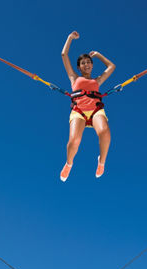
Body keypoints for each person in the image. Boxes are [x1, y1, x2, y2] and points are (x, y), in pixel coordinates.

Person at [59, 31, 115, 182]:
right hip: (79, 111)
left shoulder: (97, 80)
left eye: (89, 62)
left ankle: (101, 162)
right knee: (74, 141)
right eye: (83, 63)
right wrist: (70, 38)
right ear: (79, 67)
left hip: (96, 110)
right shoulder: (74, 77)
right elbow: (64, 55)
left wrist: (98, 55)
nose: (87, 64)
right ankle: (69, 164)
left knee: (105, 132)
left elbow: (111, 66)